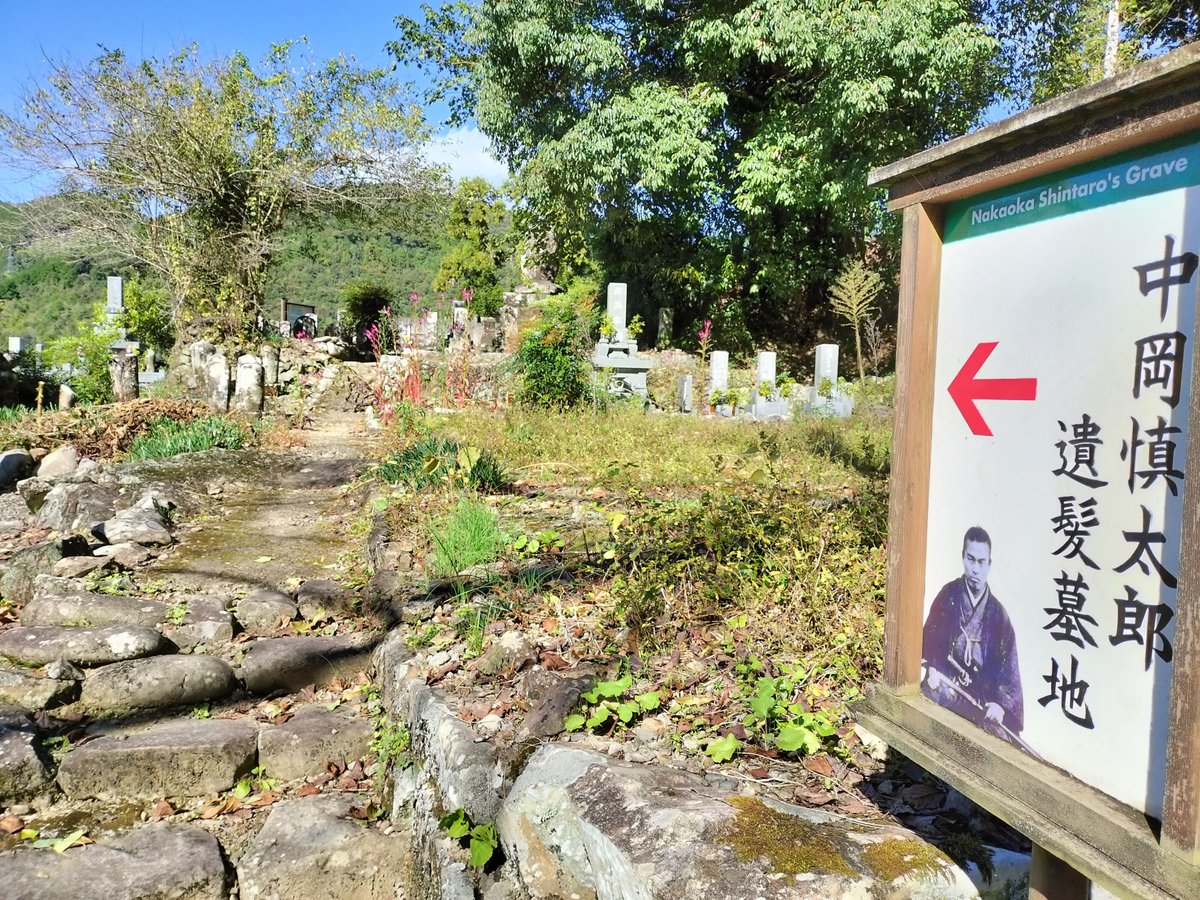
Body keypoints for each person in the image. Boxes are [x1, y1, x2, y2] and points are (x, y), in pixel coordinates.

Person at [922, 526, 1024, 741]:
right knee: (925, 714)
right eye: (971, 559)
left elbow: (1007, 670)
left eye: (981, 562)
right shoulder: (948, 595)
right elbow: (930, 640)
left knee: (1001, 744)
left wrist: (998, 704)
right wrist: (932, 667)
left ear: (989, 564)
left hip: (980, 702)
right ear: (963, 557)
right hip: (946, 688)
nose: (975, 569)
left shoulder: (999, 616)